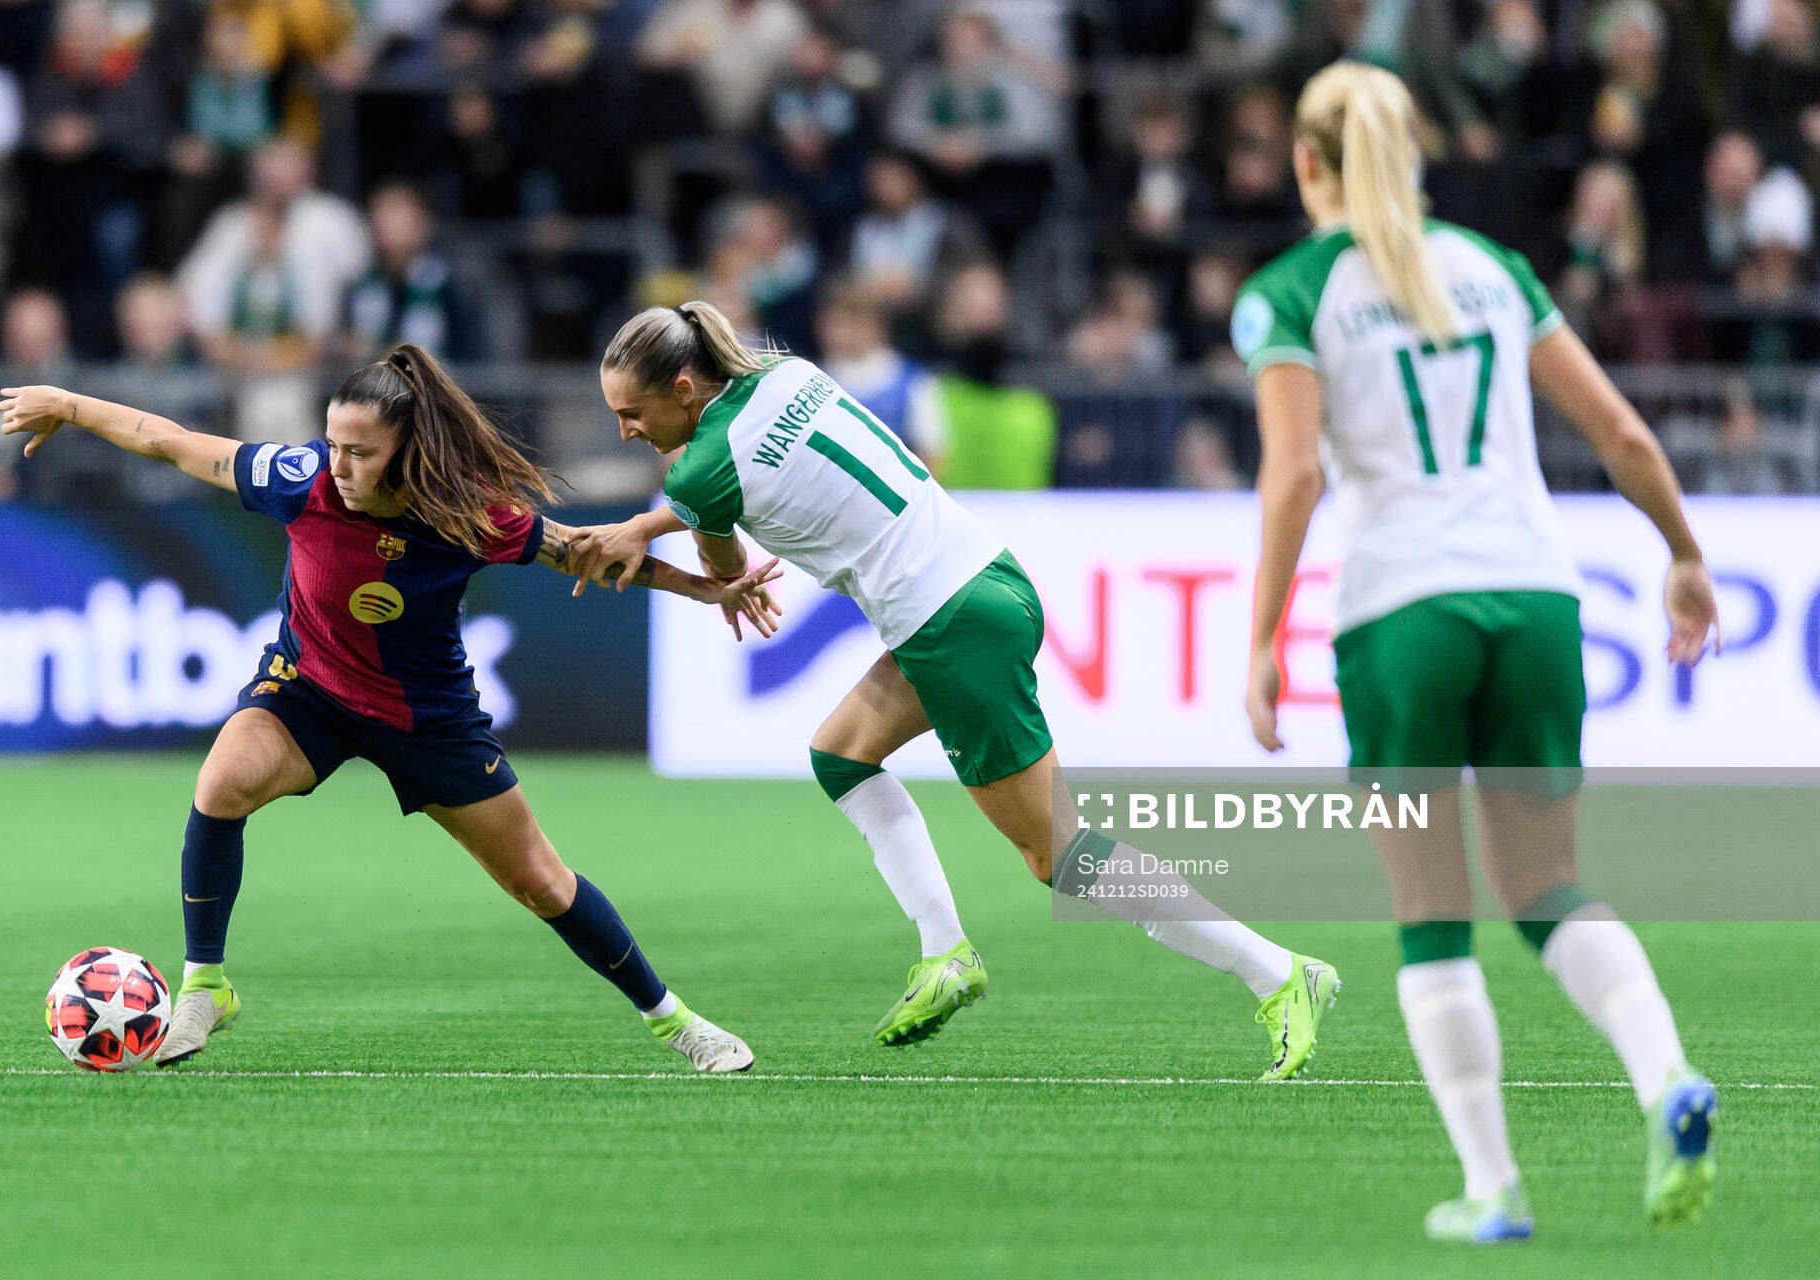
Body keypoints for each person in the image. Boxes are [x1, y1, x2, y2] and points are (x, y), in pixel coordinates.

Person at [568, 301, 1340, 1077]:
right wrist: (662, 529)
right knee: (841, 753)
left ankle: (1277, 974)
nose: (626, 431)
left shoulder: (699, 468)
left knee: (1062, 857)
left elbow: (726, 560)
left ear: (683, 388)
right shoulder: (784, 372)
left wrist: (645, 531)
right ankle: (944, 953)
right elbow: (731, 501)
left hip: (947, 625)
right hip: (987, 578)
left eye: (633, 414)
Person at [1235, 62, 1720, 1241]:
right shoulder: (1496, 271)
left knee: (1431, 910)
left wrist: (1262, 632)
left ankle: (1495, 1188)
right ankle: (1666, 1077)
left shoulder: (1289, 290)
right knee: (1547, 884)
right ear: (1413, 154)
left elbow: (1295, 471)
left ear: (1309, 163)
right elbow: (1621, 428)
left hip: (1405, 612)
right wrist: (1685, 554)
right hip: (1539, 599)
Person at [0, 344, 779, 1073]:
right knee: (221, 783)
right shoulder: (296, 477)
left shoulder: (466, 514)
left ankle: (674, 1020)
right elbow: (167, 439)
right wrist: (66, 403)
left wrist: (706, 588)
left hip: (427, 719)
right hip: (309, 691)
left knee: (540, 882)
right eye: (333, 444)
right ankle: (207, 985)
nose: (338, 466)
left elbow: (582, 551)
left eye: (360, 452)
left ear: (406, 450)